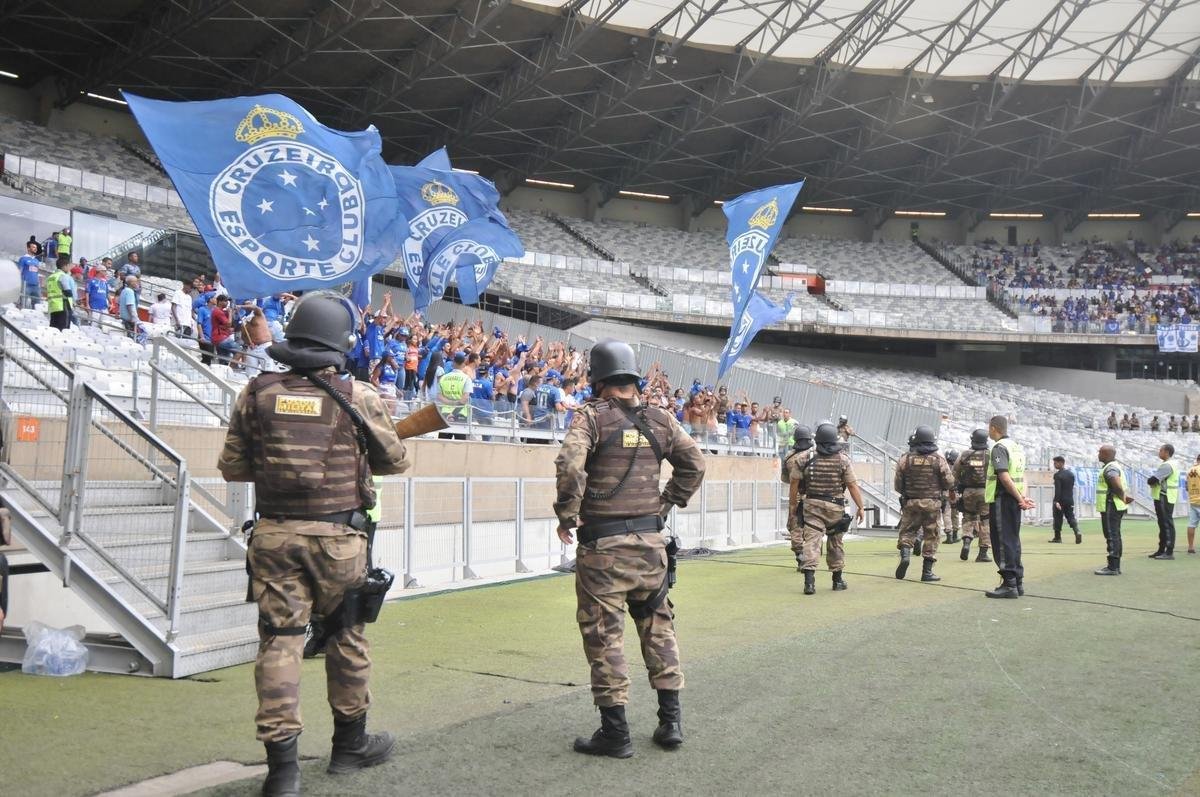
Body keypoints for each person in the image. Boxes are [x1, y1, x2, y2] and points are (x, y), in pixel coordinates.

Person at [217, 292, 411, 796]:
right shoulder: (358, 395)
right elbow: (395, 461)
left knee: (280, 641)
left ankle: (282, 770)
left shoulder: (255, 392)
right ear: (340, 343)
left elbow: (233, 467)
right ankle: (350, 746)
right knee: (346, 636)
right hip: (339, 540)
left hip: (275, 534)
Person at [554, 340, 705, 758]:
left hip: (603, 547)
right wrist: (667, 502)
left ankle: (615, 733)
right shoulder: (661, 418)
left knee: (604, 636)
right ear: (633, 379)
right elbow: (695, 463)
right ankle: (670, 722)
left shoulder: (591, 418)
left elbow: (569, 464)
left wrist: (567, 513)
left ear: (598, 380)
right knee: (659, 626)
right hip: (650, 545)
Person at [797, 422, 864, 594]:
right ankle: (837, 580)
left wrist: (792, 506)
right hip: (835, 508)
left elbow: (794, 484)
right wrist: (861, 507)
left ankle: (809, 583)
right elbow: (852, 485)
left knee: (811, 542)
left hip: (812, 507)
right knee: (835, 543)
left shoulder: (804, 458)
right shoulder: (843, 459)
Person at [894, 425, 954, 582]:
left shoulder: (904, 459)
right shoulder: (938, 460)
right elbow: (949, 482)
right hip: (932, 504)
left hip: (911, 503)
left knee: (907, 532)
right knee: (931, 536)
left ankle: (906, 555)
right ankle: (927, 572)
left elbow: (898, 485)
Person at [984, 415, 1034, 598]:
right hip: (1014, 500)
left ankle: (1009, 584)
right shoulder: (1016, 447)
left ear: (993, 428)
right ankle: (1017, 582)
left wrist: (1019, 498)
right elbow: (1023, 475)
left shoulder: (999, 448)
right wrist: (1022, 497)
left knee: (1002, 542)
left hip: (1002, 499)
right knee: (1013, 540)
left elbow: (1004, 476)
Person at [953, 429, 992, 563]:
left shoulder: (964, 455)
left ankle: (967, 540)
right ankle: (982, 553)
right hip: (986, 492)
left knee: (968, 517)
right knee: (985, 521)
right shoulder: (990, 455)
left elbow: (955, 473)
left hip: (968, 492)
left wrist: (954, 489)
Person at [780, 424, 814, 570]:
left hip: (796, 495)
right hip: (814, 495)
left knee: (795, 527)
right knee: (813, 527)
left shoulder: (789, 456)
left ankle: (800, 555)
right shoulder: (814, 454)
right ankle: (811, 556)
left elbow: (785, 479)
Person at [1093, 444, 1128, 576]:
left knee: (1111, 535)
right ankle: (1115, 565)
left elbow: (1115, 481)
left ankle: (1113, 566)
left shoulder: (1110, 468)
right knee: (1115, 535)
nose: (1098, 455)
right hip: (1115, 504)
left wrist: (1122, 495)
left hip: (1111, 505)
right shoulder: (1114, 466)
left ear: (1106, 454)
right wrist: (1123, 496)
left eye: (1100, 452)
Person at [1147, 443, 1179, 560]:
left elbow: (1153, 480)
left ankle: (1168, 551)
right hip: (1165, 496)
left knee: (1166, 524)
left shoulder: (1167, 465)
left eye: (1161, 450)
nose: (1159, 452)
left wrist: (1150, 480)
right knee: (1163, 524)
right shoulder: (1170, 464)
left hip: (1164, 497)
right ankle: (1162, 550)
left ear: (1166, 452)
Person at [1049, 455, 1081, 544]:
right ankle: (1077, 531)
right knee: (1071, 516)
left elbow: (1058, 490)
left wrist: (1056, 501)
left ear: (1061, 463)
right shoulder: (1071, 474)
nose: (1054, 465)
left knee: (1057, 518)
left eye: (1055, 463)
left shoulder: (1057, 475)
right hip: (1070, 499)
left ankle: (1057, 537)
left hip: (1060, 500)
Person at [437, 351, 472, 425]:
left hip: (445, 412)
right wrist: (454, 412)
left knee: (444, 436)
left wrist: (449, 403)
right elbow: (465, 398)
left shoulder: (443, 378)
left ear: (453, 363)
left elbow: (439, 396)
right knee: (460, 436)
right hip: (460, 413)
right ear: (464, 364)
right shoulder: (466, 379)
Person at [45, 258, 72, 331]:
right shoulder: (62, 276)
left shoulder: (50, 277)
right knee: (64, 330)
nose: (69, 268)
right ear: (64, 266)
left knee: (53, 329)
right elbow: (68, 292)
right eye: (68, 266)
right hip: (63, 305)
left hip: (53, 306)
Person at [941, 449, 960, 544]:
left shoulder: (945, 466)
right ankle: (955, 534)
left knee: (946, 514)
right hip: (956, 493)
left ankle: (949, 535)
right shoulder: (958, 467)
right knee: (955, 514)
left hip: (946, 492)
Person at [17, 240, 40, 309]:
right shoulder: (23, 259)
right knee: (23, 304)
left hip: (35, 286)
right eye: (33, 247)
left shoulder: (36, 260)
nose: (35, 248)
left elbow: (37, 272)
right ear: (28, 248)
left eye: (36, 247)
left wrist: (38, 282)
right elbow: (19, 271)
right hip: (26, 285)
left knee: (37, 305)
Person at [1185, 453, 1200, 555]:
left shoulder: (1190, 470)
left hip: (1193, 501)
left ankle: (1190, 547)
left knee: (1191, 525)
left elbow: (1186, 487)